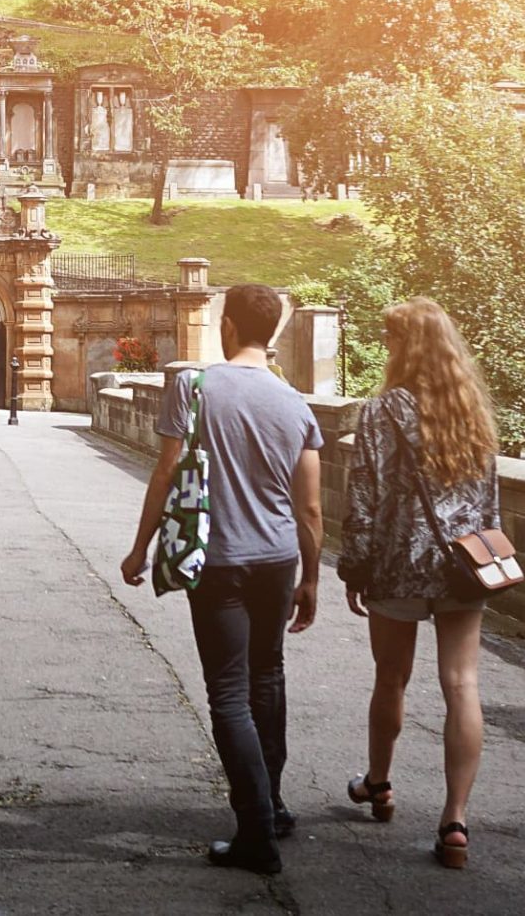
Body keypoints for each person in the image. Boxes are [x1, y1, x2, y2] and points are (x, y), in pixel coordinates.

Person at [120, 284, 323, 875]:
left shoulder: (196, 385)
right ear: (275, 331)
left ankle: (255, 830)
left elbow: (165, 472)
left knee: (228, 693)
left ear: (227, 326)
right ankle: (274, 804)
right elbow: (310, 509)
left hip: (219, 558)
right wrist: (311, 579)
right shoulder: (295, 403)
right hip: (279, 557)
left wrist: (142, 547)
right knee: (269, 676)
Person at [337, 297, 501, 871]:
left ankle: (379, 784)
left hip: (399, 565)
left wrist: (353, 567)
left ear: (402, 345)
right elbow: (489, 501)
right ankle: (454, 820)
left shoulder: (383, 411)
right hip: (462, 567)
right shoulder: (471, 409)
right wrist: (487, 558)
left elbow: (364, 498)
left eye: (389, 339)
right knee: (462, 684)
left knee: (392, 677)